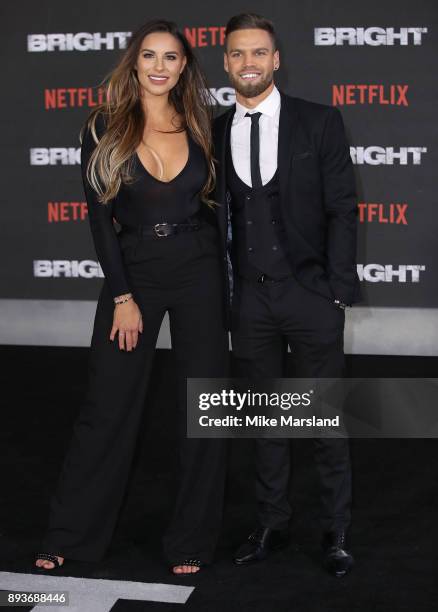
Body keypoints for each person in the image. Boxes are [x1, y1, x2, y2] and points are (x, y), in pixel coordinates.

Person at [35, 19, 228, 576]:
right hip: (135, 269)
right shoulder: (103, 126)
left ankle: (192, 540)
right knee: (107, 408)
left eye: (172, 57)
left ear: (184, 66)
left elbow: (218, 213)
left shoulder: (200, 126)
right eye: (150, 56)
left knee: (204, 406)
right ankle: (71, 536)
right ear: (134, 62)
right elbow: (100, 221)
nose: (160, 67)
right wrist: (122, 294)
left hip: (197, 269)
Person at [213, 13, 360, 577]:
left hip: (311, 296)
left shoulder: (319, 123)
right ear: (225, 63)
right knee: (263, 418)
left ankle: (335, 530)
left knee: (325, 419)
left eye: (259, 53)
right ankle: (272, 521)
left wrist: (337, 292)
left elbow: (342, 209)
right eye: (237, 54)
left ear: (276, 60)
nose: (248, 63)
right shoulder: (213, 128)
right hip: (250, 301)